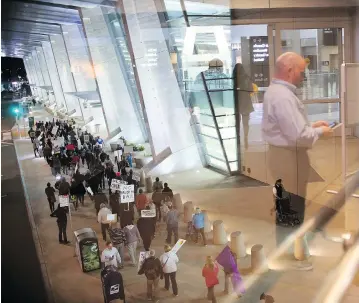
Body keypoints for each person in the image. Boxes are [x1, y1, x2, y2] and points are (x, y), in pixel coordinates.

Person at [262, 52, 333, 245]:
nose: (303, 77)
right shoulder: (283, 97)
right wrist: (320, 133)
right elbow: (298, 136)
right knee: (291, 208)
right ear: (289, 70)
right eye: (301, 72)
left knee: (287, 206)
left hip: (283, 156)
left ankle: (289, 251)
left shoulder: (275, 92)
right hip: (288, 159)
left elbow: (292, 127)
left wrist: (312, 126)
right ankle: (291, 255)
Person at [233, 63, 254, 150]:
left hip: (237, 103)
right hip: (246, 102)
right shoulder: (247, 78)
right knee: (246, 123)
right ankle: (245, 137)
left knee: (237, 122)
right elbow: (251, 90)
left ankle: (237, 138)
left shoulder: (233, 79)